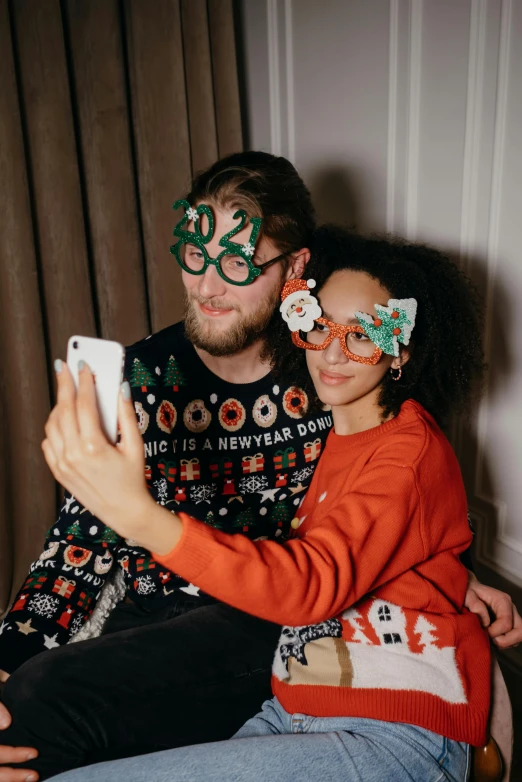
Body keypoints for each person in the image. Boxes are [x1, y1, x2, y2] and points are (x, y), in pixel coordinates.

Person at [0, 155, 519, 782]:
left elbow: (384, 500)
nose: (208, 287)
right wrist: (9, 657)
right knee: (26, 702)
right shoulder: (143, 377)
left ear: (294, 267)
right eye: (196, 255)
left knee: (47, 706)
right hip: (169, 615)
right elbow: (77, 548)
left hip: (268, 621)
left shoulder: (332, 379)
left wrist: (445, 574)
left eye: (239, 263)